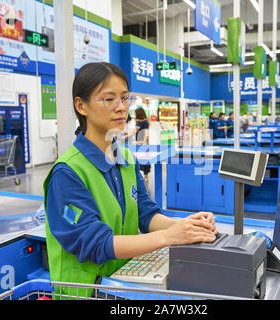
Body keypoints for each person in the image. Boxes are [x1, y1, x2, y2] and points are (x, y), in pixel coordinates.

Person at [43, 62, 217, 298]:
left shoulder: (125, 158)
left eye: (125, 98)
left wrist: (185, 226)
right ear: (81, 105)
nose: (121, 108)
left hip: (123, 286)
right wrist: (168, 237)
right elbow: (96, 244)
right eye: (109, 99)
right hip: (85, 292)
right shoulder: (68, 172)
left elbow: (145, 214)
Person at [134, 107, 151, 183]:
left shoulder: (145, 122)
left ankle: (146, 175)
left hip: (143, 143)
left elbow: (146, 133)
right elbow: (136, 131)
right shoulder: (138, 122)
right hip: (138, 142)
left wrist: (144, 142)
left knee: (145, 159)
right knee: (138, 159)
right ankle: (140, 175)